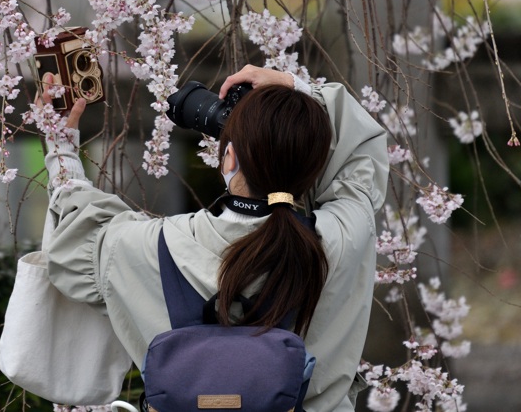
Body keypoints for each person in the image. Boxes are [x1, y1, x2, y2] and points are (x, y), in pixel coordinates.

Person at [40, 64, 389, 412]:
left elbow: (74, 226)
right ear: (314, 168)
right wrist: (293, 85)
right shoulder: (342, 239)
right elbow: (360, 153)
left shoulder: (143, 247)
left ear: (229, 157)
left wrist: (61, 149)